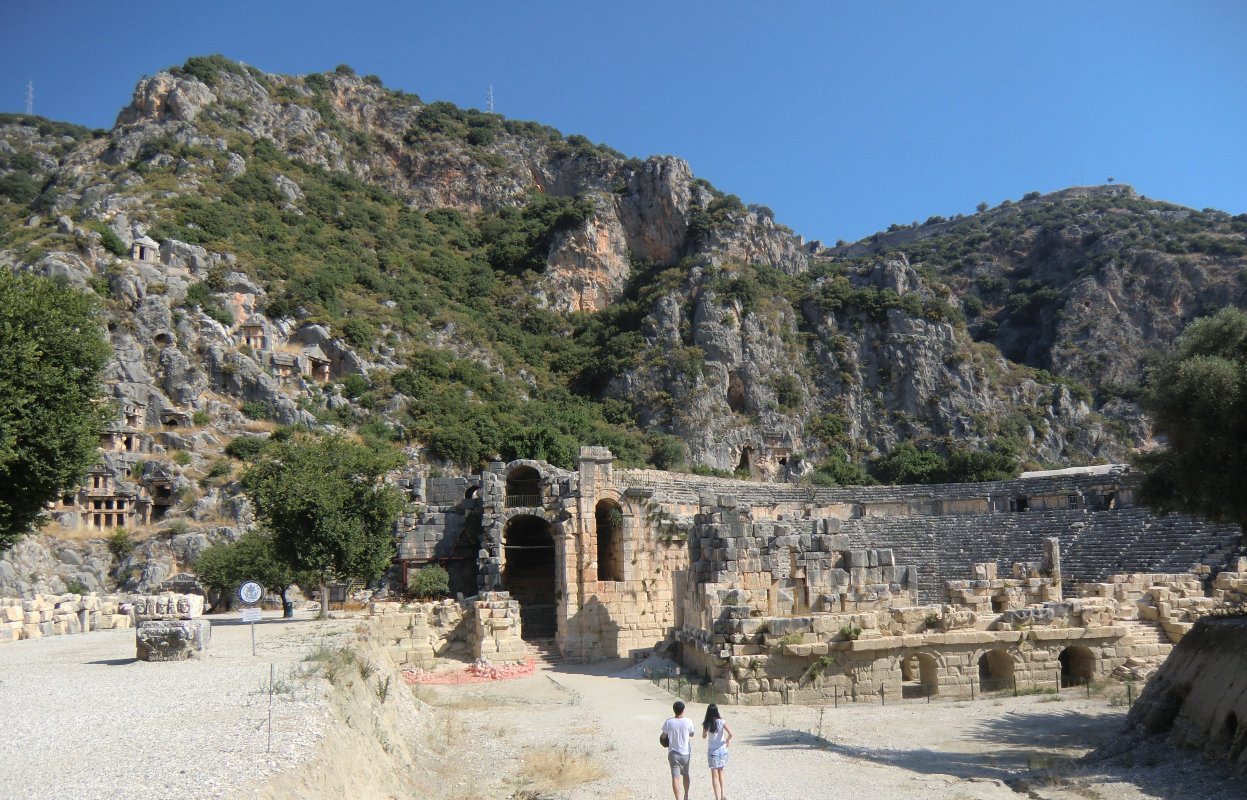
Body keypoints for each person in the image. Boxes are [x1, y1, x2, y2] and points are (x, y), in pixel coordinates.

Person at [661, 700, 697, 800]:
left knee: (675, 777)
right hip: (685, 752)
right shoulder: (688, 721)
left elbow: (663, 736)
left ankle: (678, 798)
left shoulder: (669, 722)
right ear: (683, 710)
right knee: (685, 774)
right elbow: (692, 734)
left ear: (674, 710)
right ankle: (686, 795)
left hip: (673, 752)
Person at [702, 703, 733, 800]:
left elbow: (703, 736)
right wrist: (727, 740)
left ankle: (717, 797)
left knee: (714, 774)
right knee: (721, 771)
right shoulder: (721, 721)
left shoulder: (706, 723)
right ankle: (723, 794)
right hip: (722, 749)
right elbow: (731, 734)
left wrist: (706, 733)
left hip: (712, 751)